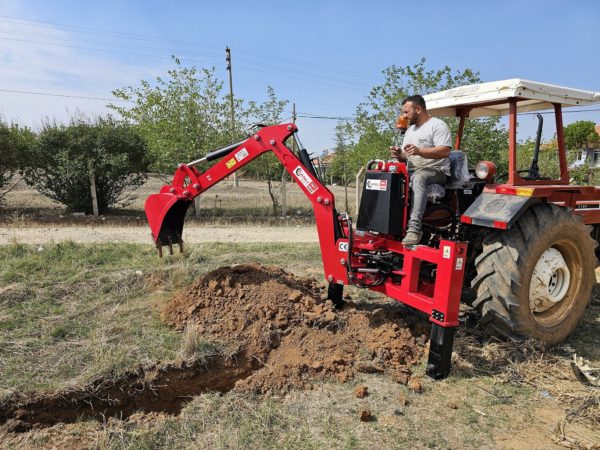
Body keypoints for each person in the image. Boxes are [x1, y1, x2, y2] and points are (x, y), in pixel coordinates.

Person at [391, 95, 452, 246]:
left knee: (419, 177)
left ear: (418, 109)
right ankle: (389, 225)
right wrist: (399, 155)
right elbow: (406, 156)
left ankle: (414, 230)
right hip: (412, 171)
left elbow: (444, 151)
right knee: (388, 177)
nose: (404, 116)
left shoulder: (437, 125)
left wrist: (419, 151)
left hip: (436, 171)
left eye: (406, 112)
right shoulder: (410, 130)